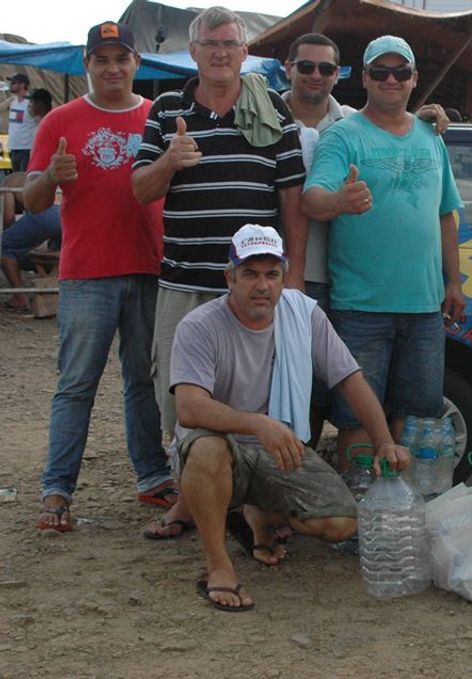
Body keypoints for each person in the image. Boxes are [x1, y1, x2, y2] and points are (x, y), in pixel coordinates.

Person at [132, 7, 306, 536]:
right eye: (210, 43)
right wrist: (171, 160)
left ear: (244, 51)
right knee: (177, 395)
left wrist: (292, 279)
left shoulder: (272, 109)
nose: (221, 52)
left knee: (253, 393)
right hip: (187, 279)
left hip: (255, 284)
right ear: (194, 51)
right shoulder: (166, 109)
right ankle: (188, 500)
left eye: (230, 43)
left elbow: (291, 198)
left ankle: (249, 499)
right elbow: (141, 190)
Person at [173, 224, 409, 611]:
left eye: (271, 274)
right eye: (249, 273)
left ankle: (260, 516)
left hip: (277, 451)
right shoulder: (200, 325)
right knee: (206, 449)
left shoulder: (303, 314)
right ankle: (218, 566)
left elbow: (350, 379)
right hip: (223, 451)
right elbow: (190, 408)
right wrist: (258, 423)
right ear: (229, 277)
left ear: (284, 276)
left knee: (340, 523)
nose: (261, 285)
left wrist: (384, 442)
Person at [23, 22, 174, 532]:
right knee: (76, 384)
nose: (113, 68)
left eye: (121, 58)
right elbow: (31, 202)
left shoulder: (158, 117)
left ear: (136, 63)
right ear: (88, 64)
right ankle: (57, 489)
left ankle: (152, 476)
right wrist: (50, 178)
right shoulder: (60, 122)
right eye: (102, 59)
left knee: (143, 382)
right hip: (87, 272)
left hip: (150, 266)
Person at [282, 32, 449, 448]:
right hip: (361, 306)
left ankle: (400, 506)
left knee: (416, 418)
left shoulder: (432, 135)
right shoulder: (341, 135)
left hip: (425, 306)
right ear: (364, 78)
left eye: (400, 72)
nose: (391, 80)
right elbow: (311, 200)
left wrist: (456, 281)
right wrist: (339, 200)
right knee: (355, 420)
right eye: (380, 72)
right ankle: (360, 504)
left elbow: (447, 212)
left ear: (414, 78)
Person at [1, 172, 61, 313]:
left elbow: (9, 218)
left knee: (5, 247)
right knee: (55, 248)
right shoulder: (29, 177)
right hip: (66, 211)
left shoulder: (7, 181)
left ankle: (19, 297)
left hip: (48, 213)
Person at [2, 73, 38, 172]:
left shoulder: (31, 103)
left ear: (22, 85)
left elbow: (40, 121)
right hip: (13, 148)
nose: (11, 85)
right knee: (16, 178)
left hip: (26, 148)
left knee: (24, 179)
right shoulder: (12, 101)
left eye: (13, 83)